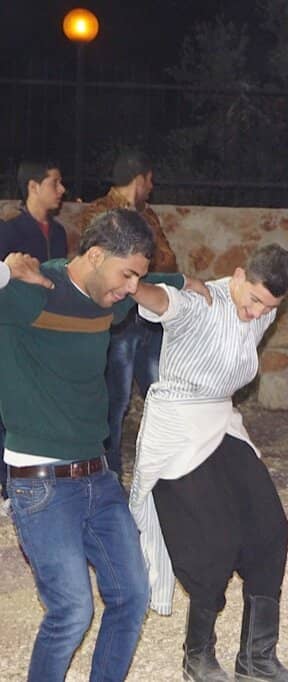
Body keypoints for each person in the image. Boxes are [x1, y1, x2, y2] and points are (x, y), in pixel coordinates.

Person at [0, 209, 201, 680]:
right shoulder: (30, 291)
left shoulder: (113, 297)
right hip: (40, 483)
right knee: (71, 612)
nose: (132, 287)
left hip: (99, 477)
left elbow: (164, 281)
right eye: (126, 273)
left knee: (132, 596)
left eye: (139, 276)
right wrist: (7, 269)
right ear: (93, 255)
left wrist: (190, 281)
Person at [129, 244, 288, 681]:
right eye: (251, 300)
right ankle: (198, 655)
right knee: (215, 540)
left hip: (222, 421)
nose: (255, 314)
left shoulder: (263, 306)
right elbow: (149, 295)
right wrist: (175, 280)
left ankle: (257, 657)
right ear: (237, 274)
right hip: (177, 427)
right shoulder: (198, 302)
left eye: (267, 307)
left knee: (271, 530)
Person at [81, 149, 179, 482]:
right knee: (117, 401)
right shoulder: (98, 213)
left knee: (159, 391)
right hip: (120, 321)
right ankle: (109, 474)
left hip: (147, 319)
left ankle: (164, 468)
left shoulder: (147, 215)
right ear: (139, 179)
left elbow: (167, 261)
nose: (152, 187)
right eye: (150, 180)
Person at [0, 160, 69, 506]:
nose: (62, 190)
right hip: (17, 333)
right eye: (55, 182)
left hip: (50, 334)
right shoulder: (9, 232)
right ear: (32, 186)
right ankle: (7, 484)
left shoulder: (58, 233)